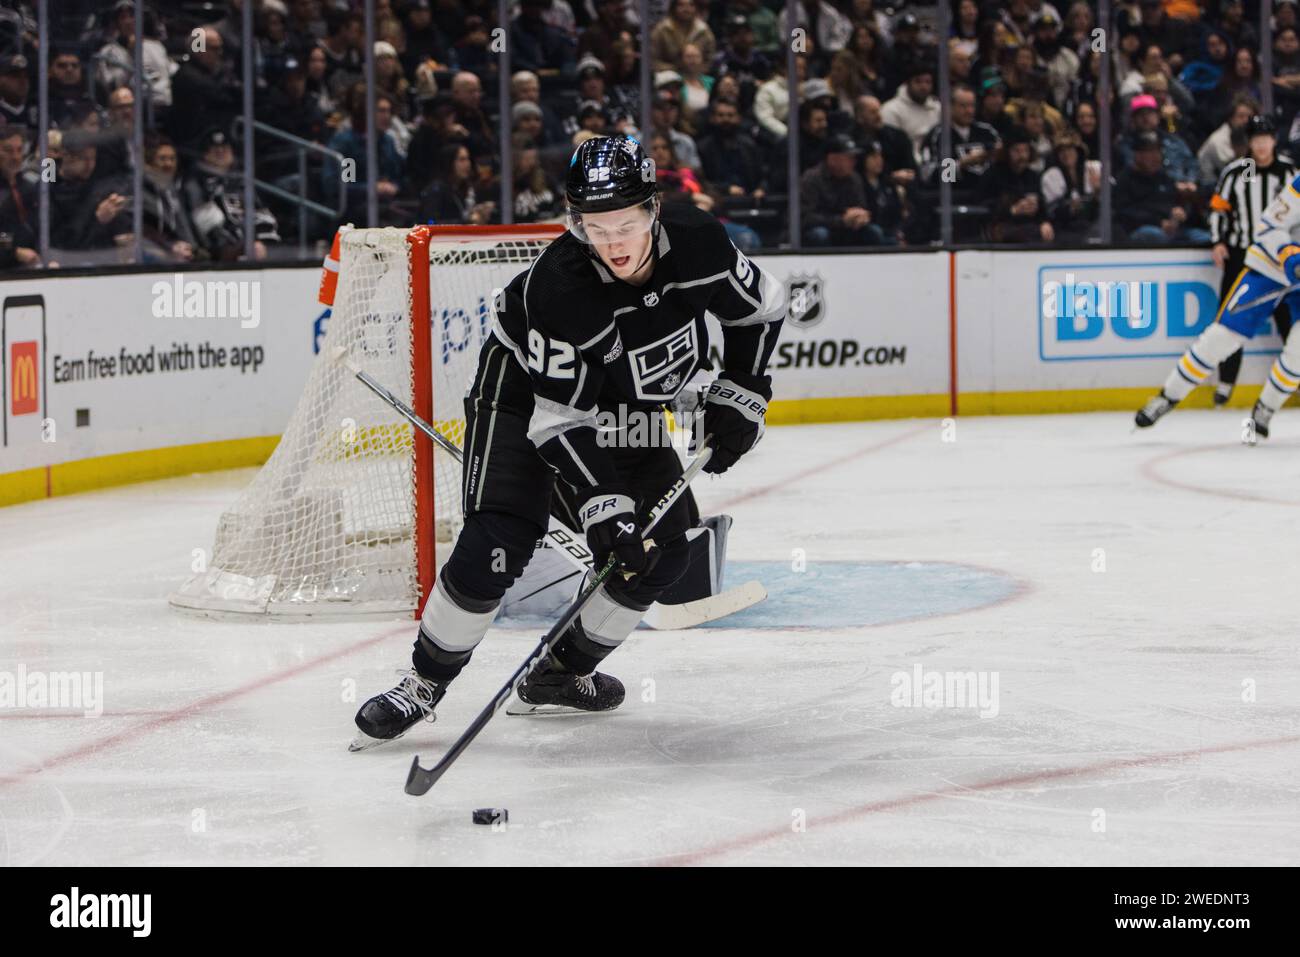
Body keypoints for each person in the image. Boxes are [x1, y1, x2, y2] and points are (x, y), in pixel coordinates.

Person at [351, 136, 785, 746]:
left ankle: (559, 675)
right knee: (499, 538)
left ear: (654, 210)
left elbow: (762, 309)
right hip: (523, 393)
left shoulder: (701, 241)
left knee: (661, 549)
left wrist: (744, 389)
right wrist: (602, 505)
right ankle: (423, 683)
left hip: (621, 399)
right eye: (595, 226)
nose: (612, 243)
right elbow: (557, 419)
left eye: (626, 224)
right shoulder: (560, 287)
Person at [1136, 151, 1300, 441]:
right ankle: (1168, 396)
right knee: (1223, 337)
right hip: (1271, 269)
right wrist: (1289, 256)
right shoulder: (1289, 181)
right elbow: (1269, 227)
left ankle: (1265, 409)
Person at [1207, 115, 1299, 406]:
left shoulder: (1287, 171)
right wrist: (1218, 241)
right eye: (1256, 139)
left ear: (1274, 140)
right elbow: (1220, 209)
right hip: (1243, 257)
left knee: (1290, 323)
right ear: (1249, 142)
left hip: (1282, 261)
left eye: (1266, 138)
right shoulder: (1242, 171)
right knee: (1231, 321)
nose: (1261, 145)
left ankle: (1294, 383)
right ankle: (1226, 382)